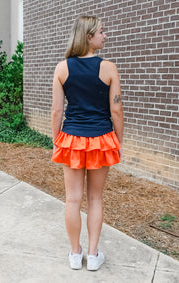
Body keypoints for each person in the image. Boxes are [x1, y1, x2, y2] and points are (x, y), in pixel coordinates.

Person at [51, 15, 123, 271]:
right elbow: (116, 112)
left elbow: (57, 112)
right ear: (88, 37)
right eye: (102, 32)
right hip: (101, 140)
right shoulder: (109, 68)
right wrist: (118, 142)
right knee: (95, 198)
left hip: (71, 139)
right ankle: (92, 256)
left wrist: (55, 140)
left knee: (72, 200)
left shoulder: (62, 68)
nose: (106, 35)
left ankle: (74, 254)